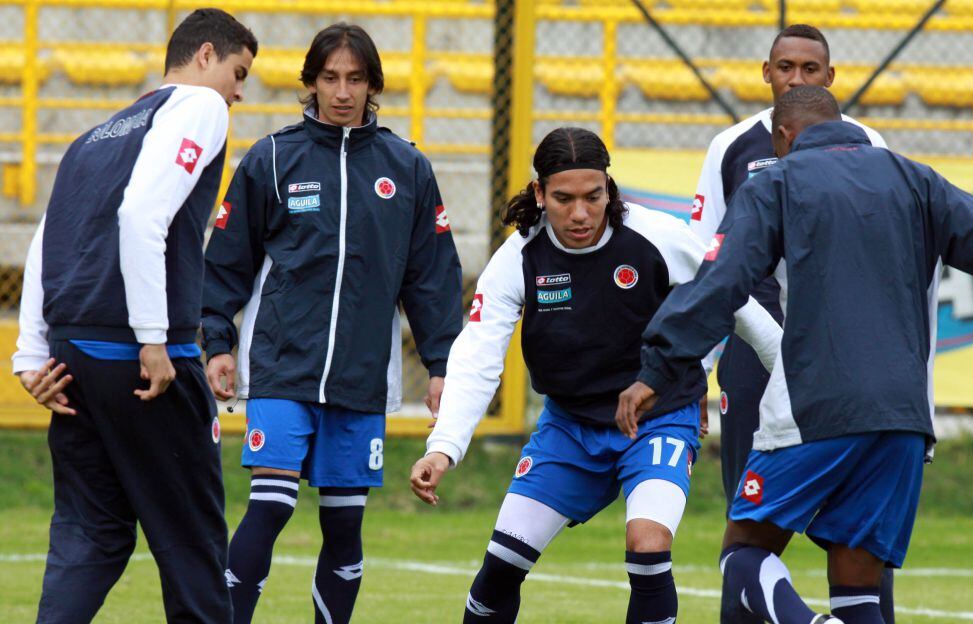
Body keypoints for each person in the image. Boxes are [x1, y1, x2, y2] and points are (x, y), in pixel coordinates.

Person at [618, 86, 973, 624]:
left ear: (784, 136)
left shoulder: (777, 183)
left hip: (816, 401)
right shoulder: (915, 177)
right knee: (858, 594)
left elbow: (722, 281)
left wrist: (661, 368)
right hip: (902, 417)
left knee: (744, 555)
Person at [408, 127, 783, 624]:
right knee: (502, 565)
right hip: (569, 428)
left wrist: (795, 386)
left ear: (609, 188)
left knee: (647, 548)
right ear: (540, 194)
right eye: (563, 198)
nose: (580, 213)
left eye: (593, 196)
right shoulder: (518, 259)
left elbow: (740, 306)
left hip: (658, 419)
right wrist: (444, 445)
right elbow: (478, 356)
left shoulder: (659, 237)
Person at [200, 22, 462, 624]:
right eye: (329, 78)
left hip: (362, 376)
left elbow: (432, 279)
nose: (342, 92)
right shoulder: (270, 158)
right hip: (281, 366)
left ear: (372, 85)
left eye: (355, 79)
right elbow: (226, 262)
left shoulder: (410, 168)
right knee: (269, 507)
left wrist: (443, 366)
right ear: (310, 83)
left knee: (344, 525)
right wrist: (218, 339)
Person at [10, 8, 257, 623]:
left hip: (73, 356)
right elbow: (143, 216)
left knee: (89, 534)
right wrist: (153, 339)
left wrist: (28, 354)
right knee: (193, 541)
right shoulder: (200, 107)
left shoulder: (96, 135)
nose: (239, 90)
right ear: (205, 55)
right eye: (238, 71)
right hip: (144, 357)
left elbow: (46, 243)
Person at [690, 24, 893, 624]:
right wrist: (693, 374)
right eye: (786, 67)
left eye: (809, 69)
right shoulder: (731, 147)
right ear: (766, 72)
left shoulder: (870, 144)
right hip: (756, 353)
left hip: (841, 353)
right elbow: (708, 263)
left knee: (860, 525)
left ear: (830, 78)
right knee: (747, 514)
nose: (796, 78)